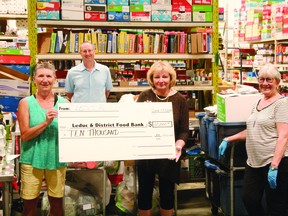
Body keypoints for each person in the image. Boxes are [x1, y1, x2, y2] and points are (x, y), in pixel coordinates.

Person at [219, 63, 288, 216]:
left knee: (276, 206)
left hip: (274, 162)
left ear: (277, 82)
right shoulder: (258, 102)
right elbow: (252, 129)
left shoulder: (282, 104)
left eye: (269, 80)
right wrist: (229, 138)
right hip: (253, 162)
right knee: (249, 199)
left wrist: (275, 166)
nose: (265, 84)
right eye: (262, 79)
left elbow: (284, 136)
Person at [136, 60, 189, 216]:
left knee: (167, 193)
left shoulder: (180, 100)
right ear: (151, 78)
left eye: (164, 76)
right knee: (145, 192)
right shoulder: (144, 96)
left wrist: (179, 145)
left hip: (169, 153)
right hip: (147, 153)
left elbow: (184, 130)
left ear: (170, 78)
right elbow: (136, 122)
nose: (161, 80)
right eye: (157, 77)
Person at [18, 62, 69, 216]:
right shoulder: (25, 103)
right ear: (34, 79)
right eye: (41, 76)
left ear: (54, 79)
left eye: (48, 76)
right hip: (32, 160)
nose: (45, 80)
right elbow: (25, 135)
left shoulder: (65, 104)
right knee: (29, 207)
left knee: (57, 206)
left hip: (57, 158)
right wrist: (46, 123)